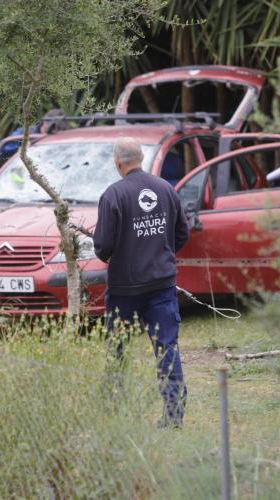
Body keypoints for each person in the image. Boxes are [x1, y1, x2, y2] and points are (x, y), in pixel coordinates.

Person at [93, 137, 190, 428]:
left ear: (117, 162)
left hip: (124, 290)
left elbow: (102, 247)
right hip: (162, 285)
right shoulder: (166, 189)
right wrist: (160, 252)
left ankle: (112, 410)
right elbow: (182, 234)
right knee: (167, 347)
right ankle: (174, 415)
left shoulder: (113, 195)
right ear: (141, 158)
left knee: (118, 349)